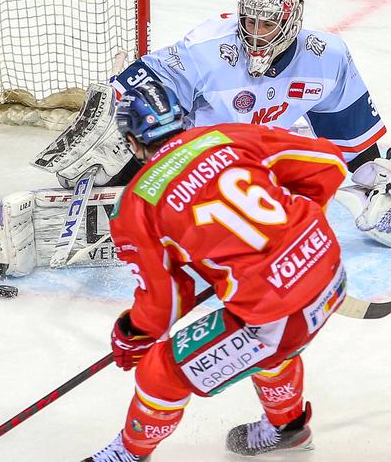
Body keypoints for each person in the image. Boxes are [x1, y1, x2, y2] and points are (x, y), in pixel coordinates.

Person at [0, 0, 391, 278]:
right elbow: (131, 85)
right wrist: (139, 142)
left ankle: (144, 213)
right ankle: (97, 192)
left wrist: (382, 186)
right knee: (119, 129)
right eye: (248, 20)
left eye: (266, 23)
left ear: (290, 22)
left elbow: (350, 139)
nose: (254, 31)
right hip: (188, 156)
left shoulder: (327, 58)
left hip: (252, 169)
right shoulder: (211, 46)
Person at [82, 79, 347, 461]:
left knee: (161, 372)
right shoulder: (225, 136)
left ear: (133, 142)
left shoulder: (137, 204)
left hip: (275, 314)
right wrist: (296, 232)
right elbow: (329, 164)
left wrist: (131, 334)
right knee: (267, 349)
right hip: (331, 268)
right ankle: (287, 428)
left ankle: (126, 455)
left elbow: (163, 305)